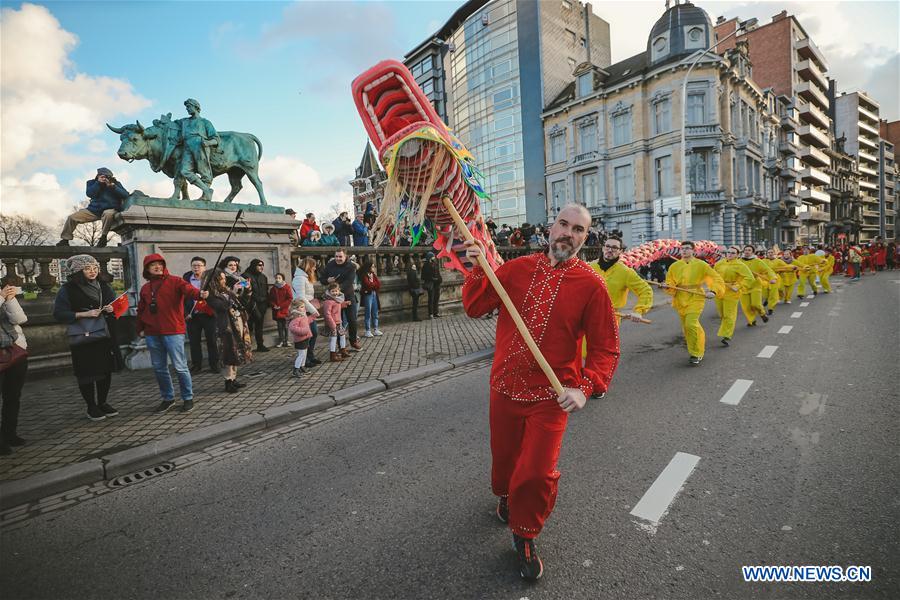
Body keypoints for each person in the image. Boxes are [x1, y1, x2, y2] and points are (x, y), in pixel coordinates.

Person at [462, 204, 620, 582]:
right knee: (504, 463)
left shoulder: (592, 285)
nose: (568, 233)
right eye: (563, 224)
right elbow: (475, 306)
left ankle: (525, 533)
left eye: (578, 229)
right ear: (551, 228)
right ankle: (505, 497)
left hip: (551, 397)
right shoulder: (515, 270)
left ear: (586, 238)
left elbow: (606, 349)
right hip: (504, 388)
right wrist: (477, 268)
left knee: (535, 472)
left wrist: (584, 388)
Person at [53, 255, 125, 420]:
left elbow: (117, 307)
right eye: (87, 268)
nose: (92, 271)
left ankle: (103, 403)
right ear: (78, 271)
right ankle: (91, 406)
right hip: (83, 337)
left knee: (105, 370)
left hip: (105, 334)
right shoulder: (68, 289)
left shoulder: (104, 286)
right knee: (87, 372)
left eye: (94, 268)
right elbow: (59, 313)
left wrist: (112, 309)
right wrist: (84, 314)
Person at [137, 253, 206, 413]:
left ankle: (188, 397)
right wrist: (139, 328)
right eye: (153, 265)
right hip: (152, 333)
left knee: (180, 366)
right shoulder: (145, 288)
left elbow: (189, 290)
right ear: (147, 269)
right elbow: (141, 310)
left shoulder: (175, 281)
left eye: (160, 264)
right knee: (159, 368)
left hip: (173, 331)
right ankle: (168, 398)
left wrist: (200, 294)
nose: (157, 267)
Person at [662, 241, 725, 365]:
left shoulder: (701, 265)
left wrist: (714, 291)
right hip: (680, 298)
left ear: (693, 251)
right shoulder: (674, 266)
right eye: (682, 249)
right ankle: (695, 347)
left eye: (687, 248)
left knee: (691, 324)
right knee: (687, 327)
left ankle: (696, 353)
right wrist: (666, 286)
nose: (684, 251)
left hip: (696, 297)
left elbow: (716, 278)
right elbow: (670, 282)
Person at [205, 269, 252, 393]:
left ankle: (233, 378)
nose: (224, 281)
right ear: (215, 280)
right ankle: (228, 381)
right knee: (227, 353)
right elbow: (222, 307)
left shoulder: (227, 291)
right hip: (225, 327)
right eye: (221, 279)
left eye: (224, 278)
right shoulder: (210, 294)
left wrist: (247, 290)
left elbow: (243, 303)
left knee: (236, 352)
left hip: (237, 322)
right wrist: (234, 294)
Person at [57, 168, 129, 247]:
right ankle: (65, 239)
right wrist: (98, 183)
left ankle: (103, 238)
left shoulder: (116, 184)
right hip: (94, 210)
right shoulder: (91, 183)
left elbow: (125, 195)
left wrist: (113, 187)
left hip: (110, 208)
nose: (105, 179)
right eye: (102, 176)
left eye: (107, 177)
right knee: (72, 217)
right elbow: (90, 194)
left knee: (108, 214)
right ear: (98, 176)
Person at [589, 236, 653, 324]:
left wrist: (638, 311)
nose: (610, 250)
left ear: (621, 251)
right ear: (603, 248)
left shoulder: (626, 272)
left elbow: (646, 290)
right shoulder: (590, 267)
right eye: (607, 246)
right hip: (588, 317)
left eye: (614, 248)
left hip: (609, 320)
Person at [0, 285, 28, 455]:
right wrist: (2, 297)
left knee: (12, 397)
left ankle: (9, 434)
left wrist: (10, 300)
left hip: (15, 351)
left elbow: (20, 319)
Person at [183, 257, 219, 374]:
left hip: (208, 314)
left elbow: (218, 294)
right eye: (194, 265)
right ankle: (196, 365)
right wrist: (186, 313)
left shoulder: (211, 278)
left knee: (212, 341)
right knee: (194, 342)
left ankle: (214, 364)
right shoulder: (186, 279)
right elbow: (181, 298)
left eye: (199, 265)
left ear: (204, 267)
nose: (196, 268)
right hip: (193, 315)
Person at [178, 98, 219, 201]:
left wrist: (208, 143)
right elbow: (171, 125)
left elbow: (216, 139)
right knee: (184, 170)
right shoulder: (184, 121)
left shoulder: (205, 122)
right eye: (186, 107)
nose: (187, 109)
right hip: (187, 145)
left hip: (199, 145)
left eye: (189, 107)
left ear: (196, 107)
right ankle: (207, 190)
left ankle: (205, 195)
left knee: (204, 171)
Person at [714, 247, 754, 346]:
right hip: (719, 290)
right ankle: (725, 330)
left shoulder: (740, 265)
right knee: (722, 314)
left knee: (729, 314)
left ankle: (726, 335)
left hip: (732, 292)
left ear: (737, 255)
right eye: (728, 252)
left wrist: (738, 286)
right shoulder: (719, 263)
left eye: (733, 253)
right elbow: (713, 275)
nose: (730, 254)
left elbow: (750, 278)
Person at [322, 248, 361, 350]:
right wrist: (327, 280)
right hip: (334, 299)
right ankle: (341, 345)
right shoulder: (330, 265)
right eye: (336, 256)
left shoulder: (351, 266)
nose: (338, 259)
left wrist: (337, 290)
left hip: (348, 296)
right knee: (338, 322)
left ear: (345, 256)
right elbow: (322, 279)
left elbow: (349, 282)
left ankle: (353, 341)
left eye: (340, 257)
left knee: (352, 320)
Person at [291, 258, 322, 368]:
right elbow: (301, 297)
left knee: (313, 333)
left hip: (308, 308)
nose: (315, 268)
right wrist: (313, 310)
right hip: (304, 310)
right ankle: (306, 359)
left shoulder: (305, 277)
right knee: (308, 334)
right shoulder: (299, 278)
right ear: (308, 266)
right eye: (313, 266)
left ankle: (310, 356)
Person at [739, 245, 775, 326]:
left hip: (755, 285)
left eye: (749, 250)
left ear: (753, 252)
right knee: (747, 307)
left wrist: (773, 278)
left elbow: (768, 270)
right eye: (745, 250)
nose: (747, 251)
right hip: (744, 286)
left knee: (755, 304)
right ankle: (751, 320)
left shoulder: (757, 261)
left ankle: (762, 314)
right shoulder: (739, 261)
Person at [242, 259, 270, 352]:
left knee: (259, 326)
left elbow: (266, 290)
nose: (261, 267)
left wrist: (267, 303)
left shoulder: (263, 277)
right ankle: (247, 347)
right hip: (250, 305)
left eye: (262, 265)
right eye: (259, 265)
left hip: (262, 304)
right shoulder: (245, 276)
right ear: (254, 266)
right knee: (248, 326)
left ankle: (260, 345)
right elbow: (243, 290)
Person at [322, 282, 351, 362]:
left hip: (339, 321)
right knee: (333, 338)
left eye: (336, 291)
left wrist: (344, 304)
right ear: (329, 291)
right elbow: (327, 314)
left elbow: (337, 307)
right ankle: (333, 355)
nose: (335, 293)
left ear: (339, 291)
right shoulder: (328, 301)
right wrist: (332, 324)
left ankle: (343, 350)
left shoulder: (337, 299)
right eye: (333, 291)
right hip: (333, 323)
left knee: (342, 335)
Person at [288, 299, 313, 377]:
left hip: (305, 338)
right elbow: (292, 328)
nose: (304, 308)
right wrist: (303, 331)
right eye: (302, 307)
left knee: (304, 353)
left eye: (304, 307)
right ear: (296, 308)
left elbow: (305, 323)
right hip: (300, 339)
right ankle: (296, 369)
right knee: (301, 354)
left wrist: (311, 318)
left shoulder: (302, 315)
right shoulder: (295, 317)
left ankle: (302, 367)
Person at [268, 273, 293, 348]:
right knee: (279, 326)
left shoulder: (287, 287)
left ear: (282, 279)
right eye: (276, 278)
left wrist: (281, 306)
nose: (277, 279)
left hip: (284, 309)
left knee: (285, 326)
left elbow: (290, 298)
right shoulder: (273, 288)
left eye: (279, 278)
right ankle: (281, 340)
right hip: (277, 311)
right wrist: (274, 305)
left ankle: (287, 340)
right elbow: (270, 299)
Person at [359, 262, 383, 337]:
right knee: (368, 312)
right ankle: (368, 330)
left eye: (374, 266)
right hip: (368, 295)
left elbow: (378, 284)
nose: (373, 268)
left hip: (374, 294)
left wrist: (373, 285)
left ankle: (376, 329)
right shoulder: (364, 275)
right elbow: (367, 284)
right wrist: (373, 285)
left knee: (375, 312)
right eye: (372, 266)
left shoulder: (373, 275)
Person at [421, 252, 443, 319]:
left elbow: (438, 273)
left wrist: (439, 279)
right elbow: (423, 276)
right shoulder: (426, 265)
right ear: (430, 258)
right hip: (431, 284)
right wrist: (432, 278)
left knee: (436, 298)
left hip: (437, 284)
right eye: (432, 257)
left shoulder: (435, 264)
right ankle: (430, 314)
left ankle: (436, 312)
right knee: (431, 299)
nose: (434, 258)